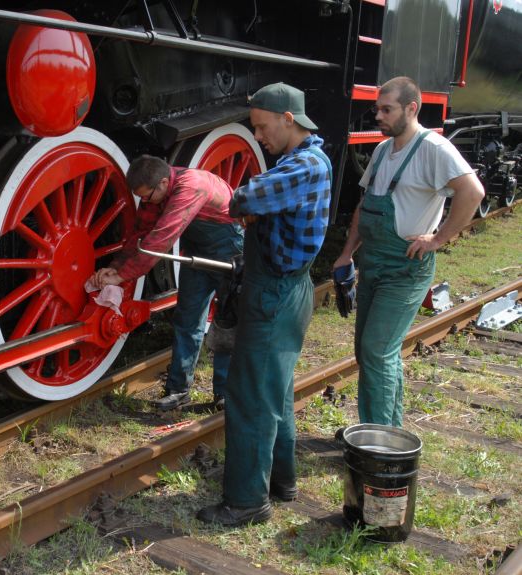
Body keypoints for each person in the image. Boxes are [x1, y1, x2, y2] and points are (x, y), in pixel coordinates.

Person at [196, 82, 332, 527]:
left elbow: (245, 198)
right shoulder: (302, 162)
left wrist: (249, 203)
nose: (257, 136)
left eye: (261, 126)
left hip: (275, 290)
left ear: (288, 119)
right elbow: (260, 197)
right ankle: (281, 480)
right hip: (283, 286)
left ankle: (246, 501)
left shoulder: (305, 165)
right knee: (275, 390)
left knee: (250, 395)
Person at [333, 76, 483, 427]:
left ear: (411, 108)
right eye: (377, 110)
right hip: (373, 265)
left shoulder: (433, 148)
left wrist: (438, 239)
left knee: (377, 350)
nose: (378, 117)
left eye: (386, 110)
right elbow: (364, 206)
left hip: (405, 269)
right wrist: (346, 254)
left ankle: (379, 441)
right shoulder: (384, 151)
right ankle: (388, 429)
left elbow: (472, 192)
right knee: (370, 351)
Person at [88, 155, 243, 410]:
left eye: (147, 197)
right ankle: (178, 390)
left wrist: (123, 275)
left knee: (226, 321)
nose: (144, 203)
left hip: (229, 249)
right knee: (187, 318)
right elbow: (140, 235)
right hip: (198, 253)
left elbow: (160, 239)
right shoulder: (155, 193)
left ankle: (225, 393)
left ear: (162, 183)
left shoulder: (190, 186)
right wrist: (114, 267)